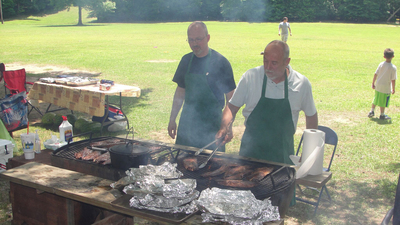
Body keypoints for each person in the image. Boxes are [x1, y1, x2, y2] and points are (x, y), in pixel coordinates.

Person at [216, 40, 318, 165]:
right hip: (250, 155)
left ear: (287, 62)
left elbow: (311, 115)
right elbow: (232, 106)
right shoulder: (251, 77)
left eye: (274, 63)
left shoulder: (301, 84)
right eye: (265, 61)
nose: (268, 67)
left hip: (283, 157)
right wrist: (225, 126)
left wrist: (308, 151)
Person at [168, 21, 236, 152]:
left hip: (213, 127)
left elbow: (231, 100)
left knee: (212, 167)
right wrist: (172, 119)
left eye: (198, 39)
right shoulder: (186, 61)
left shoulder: (221, 62)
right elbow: (180, 93)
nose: (194, 44)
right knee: (182, 163)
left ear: (208, 38)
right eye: (191, 40)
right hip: (186, 126)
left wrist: (228, 126)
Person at [368, 48, 397, 120]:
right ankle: (382, 114)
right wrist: (393, 89)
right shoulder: (393, 68)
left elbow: (375, 74)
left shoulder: (381, 64)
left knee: (376, 98)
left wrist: (373, 83)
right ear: (393, 56)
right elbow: (393, 79)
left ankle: (372, 111)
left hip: (378, 85)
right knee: (383, 101)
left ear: (384, 56)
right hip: (386, 87)